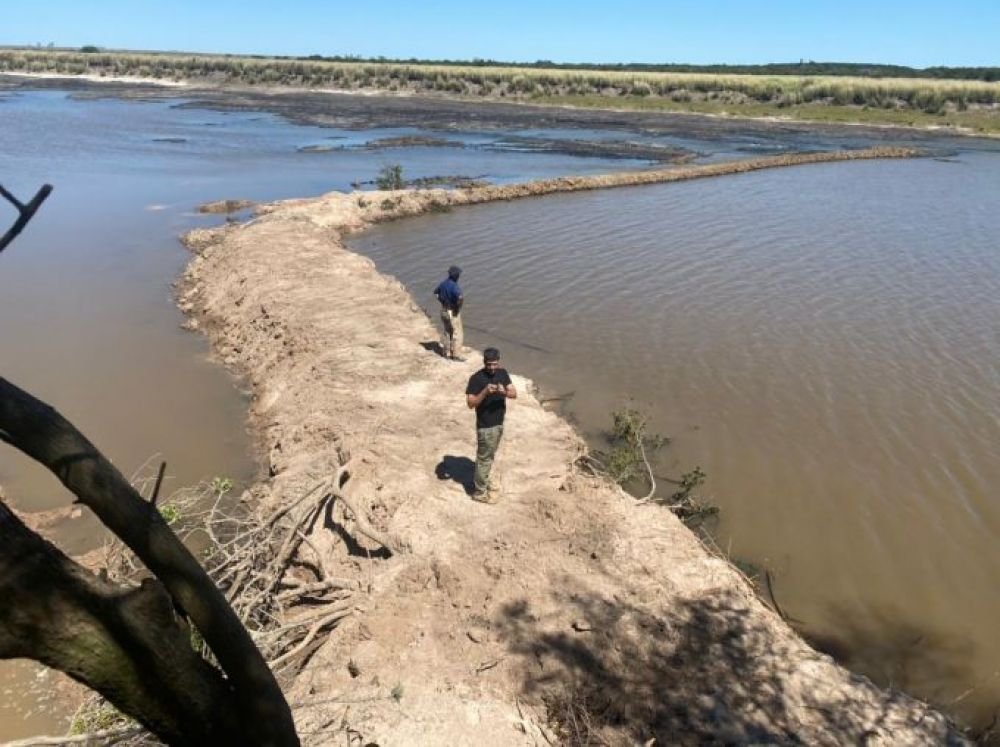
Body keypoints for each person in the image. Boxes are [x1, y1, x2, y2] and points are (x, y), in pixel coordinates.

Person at [465, 347, 517, 503]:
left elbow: (514, 394)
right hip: (485, 426)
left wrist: (503, 392)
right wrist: (485, 392)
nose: (492, 368)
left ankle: (484, 481)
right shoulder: (476, 379)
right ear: (484, 362)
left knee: (489, 455)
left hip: (499, 423)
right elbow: (470, 403)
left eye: (494, 364)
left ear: (498, 362)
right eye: (489, 364)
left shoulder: (503, 373)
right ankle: (480, 492)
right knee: (484, 459)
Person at [433, 265, 464, 361]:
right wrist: (457, 308)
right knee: (457, 333)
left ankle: (445, 353)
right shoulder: (454, 287)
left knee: (447, 332)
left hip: (443, 311)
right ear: (456, 276)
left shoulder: (443, 284)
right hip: (452, 312)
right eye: (458, 275)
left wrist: (442, 301)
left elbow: (435, 293)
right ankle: (455, 355)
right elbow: (460, 298)